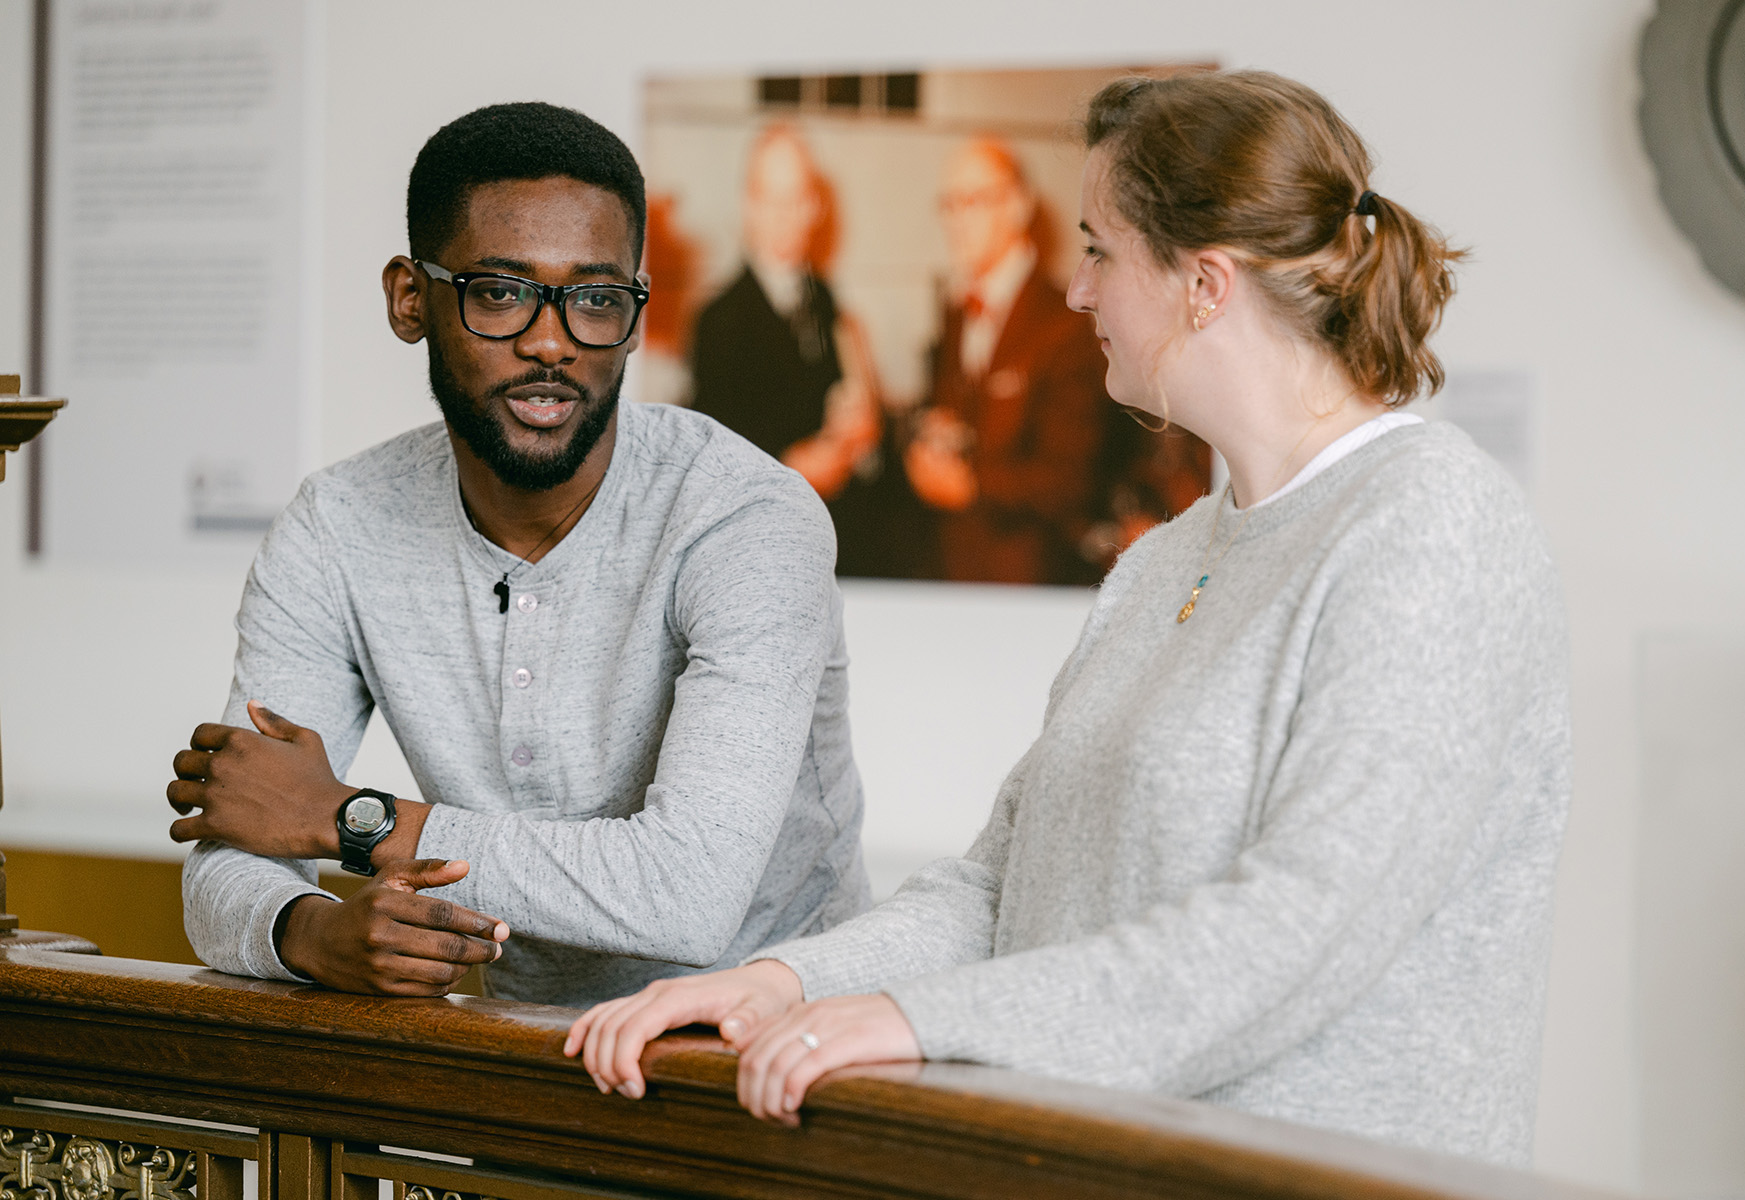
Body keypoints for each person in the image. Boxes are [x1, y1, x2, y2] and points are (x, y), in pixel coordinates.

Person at [566, 70, 1570, 1165]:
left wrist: (919, 1021)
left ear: (1204, 283)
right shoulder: (1166, 560)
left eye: (1098, 251)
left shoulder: (1431, 524)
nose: (1077, 292)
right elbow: (1001, 886)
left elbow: (1303, 927)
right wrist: (781, 983)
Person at [166, 102, 871, 1007]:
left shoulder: (745, 517)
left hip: (783, 1045)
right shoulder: (336, 526)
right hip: (517, 1050)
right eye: (500, 292)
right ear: (410, 299)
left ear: (635, 312)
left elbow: (686, 895)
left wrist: (347, 819)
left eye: (596, 299)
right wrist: (311, 933)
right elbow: (240, 830)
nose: (550, 343)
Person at [688, 124, 919, 578]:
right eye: (769, 199)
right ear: (748, 205)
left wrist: (861, 430)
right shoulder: (717, 320)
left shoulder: (826, 299)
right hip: (763, 555)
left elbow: (844, 412)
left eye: (796, 199)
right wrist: (791, 469)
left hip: (841, 543)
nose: (784, 216)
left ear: (815, 207)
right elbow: (710, 463)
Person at [902, 137, 1109, 585]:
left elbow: (1071, 482)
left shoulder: (1066, 325)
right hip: (951, 569)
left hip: (1024, 582)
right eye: (948, 204)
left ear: (1018, 206)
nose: (955, 221)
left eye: (973, 201)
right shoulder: (956, 311)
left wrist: (971, 487)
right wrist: (930, 433)